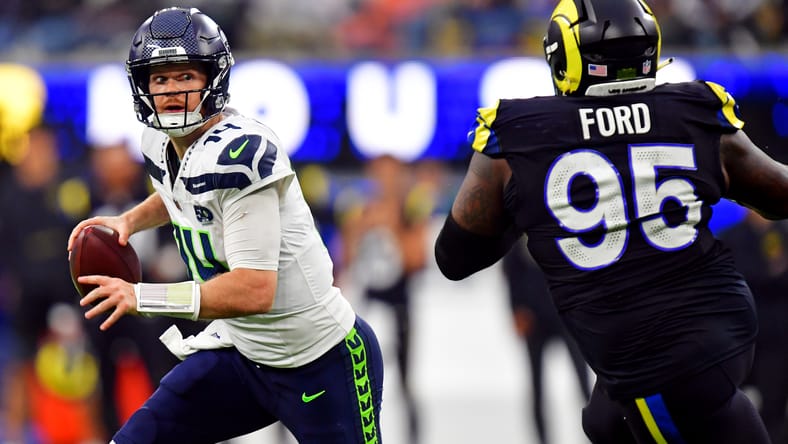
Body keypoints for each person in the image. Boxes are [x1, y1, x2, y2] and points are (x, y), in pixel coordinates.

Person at [434, 0, 788, 442]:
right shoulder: (694, 110)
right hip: (720, 330)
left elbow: (454, 256)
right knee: (604, 423)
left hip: (657, 362)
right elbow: (778, 195)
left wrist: (529, 208)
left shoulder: (518, 136)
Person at [66, 7, 384, 444]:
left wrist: (142, 298)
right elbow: (181, 190)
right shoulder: (159, 142)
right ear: (142, 86)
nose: (172, 91)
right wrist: (130, 220)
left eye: (184, 77)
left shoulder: (242, 155)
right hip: (244, 357)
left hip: (320, 359)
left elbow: (254, 289)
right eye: (160, 79)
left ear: (212, 80)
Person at [501, 236, 590, 444]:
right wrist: (516, 309)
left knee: (585, 383)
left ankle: (595, 435)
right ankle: (542, 439)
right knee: (537, 387)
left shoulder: (559, 221)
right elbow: (511, 270)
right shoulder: (519, 225)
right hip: (534, 318)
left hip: (565, 315)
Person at [719, 210, 788, 443]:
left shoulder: (784, 234)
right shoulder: (731, 237)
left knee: (774, 406)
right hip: (742, 338)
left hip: (778, 338)